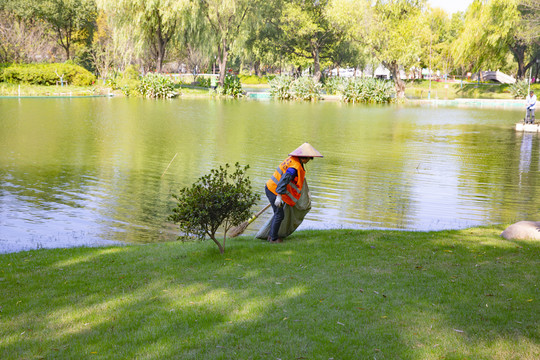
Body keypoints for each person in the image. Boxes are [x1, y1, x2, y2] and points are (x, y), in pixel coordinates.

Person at [265, 143, 323, 243]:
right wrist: (278, 196)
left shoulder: (292, 160)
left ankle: (271, 236)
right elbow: (283, 180)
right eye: (309, 159)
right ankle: (273, 238)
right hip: (273, 189)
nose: (308, 161)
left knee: (278, 214)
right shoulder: (294, 167)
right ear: (304, 158)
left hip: (271, 187)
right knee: (279, 215)